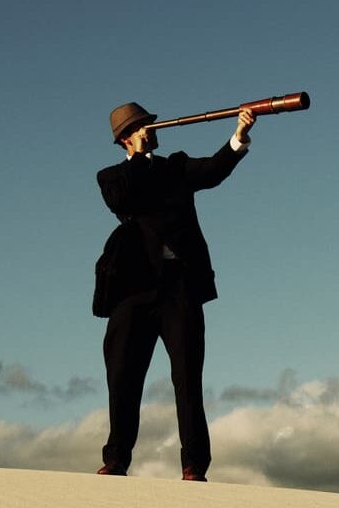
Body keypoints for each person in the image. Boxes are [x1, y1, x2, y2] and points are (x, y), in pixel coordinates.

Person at [92, 102, 256, 481]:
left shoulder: (176, 167)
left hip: (179, 287)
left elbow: (213, 171)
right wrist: (138, 156)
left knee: (187, 377)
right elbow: (121, 199)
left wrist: (238, 137)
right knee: (123, 376)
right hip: (132, 289)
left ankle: (194, 464)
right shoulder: (113, 176)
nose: (150, 130)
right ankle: (116, 459)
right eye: (141, 127)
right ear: (125, 138)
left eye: (149, 125)